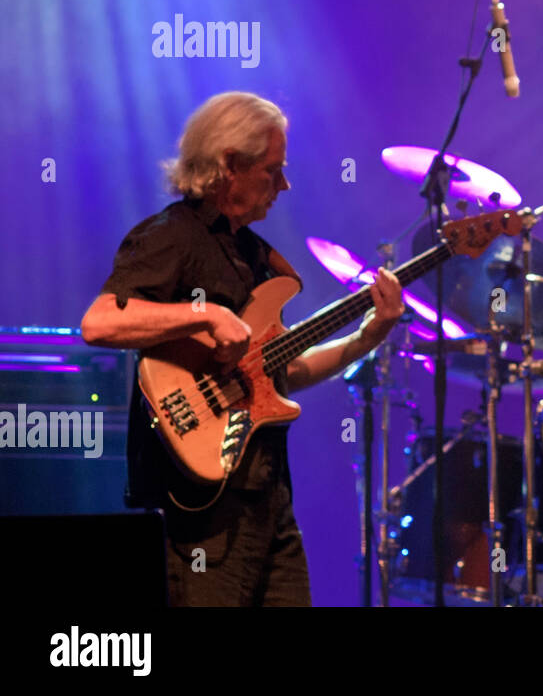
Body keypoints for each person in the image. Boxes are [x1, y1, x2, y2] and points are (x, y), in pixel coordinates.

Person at [80, 91, 404, 606]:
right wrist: (204, 314)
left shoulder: (258, 258)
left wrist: (369, 335)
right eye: (272, 171)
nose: (284, 184)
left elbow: (285, 371)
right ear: (230, 164)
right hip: (201, 515)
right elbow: (99, 323)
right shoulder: (173, 236)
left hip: (269, 500)